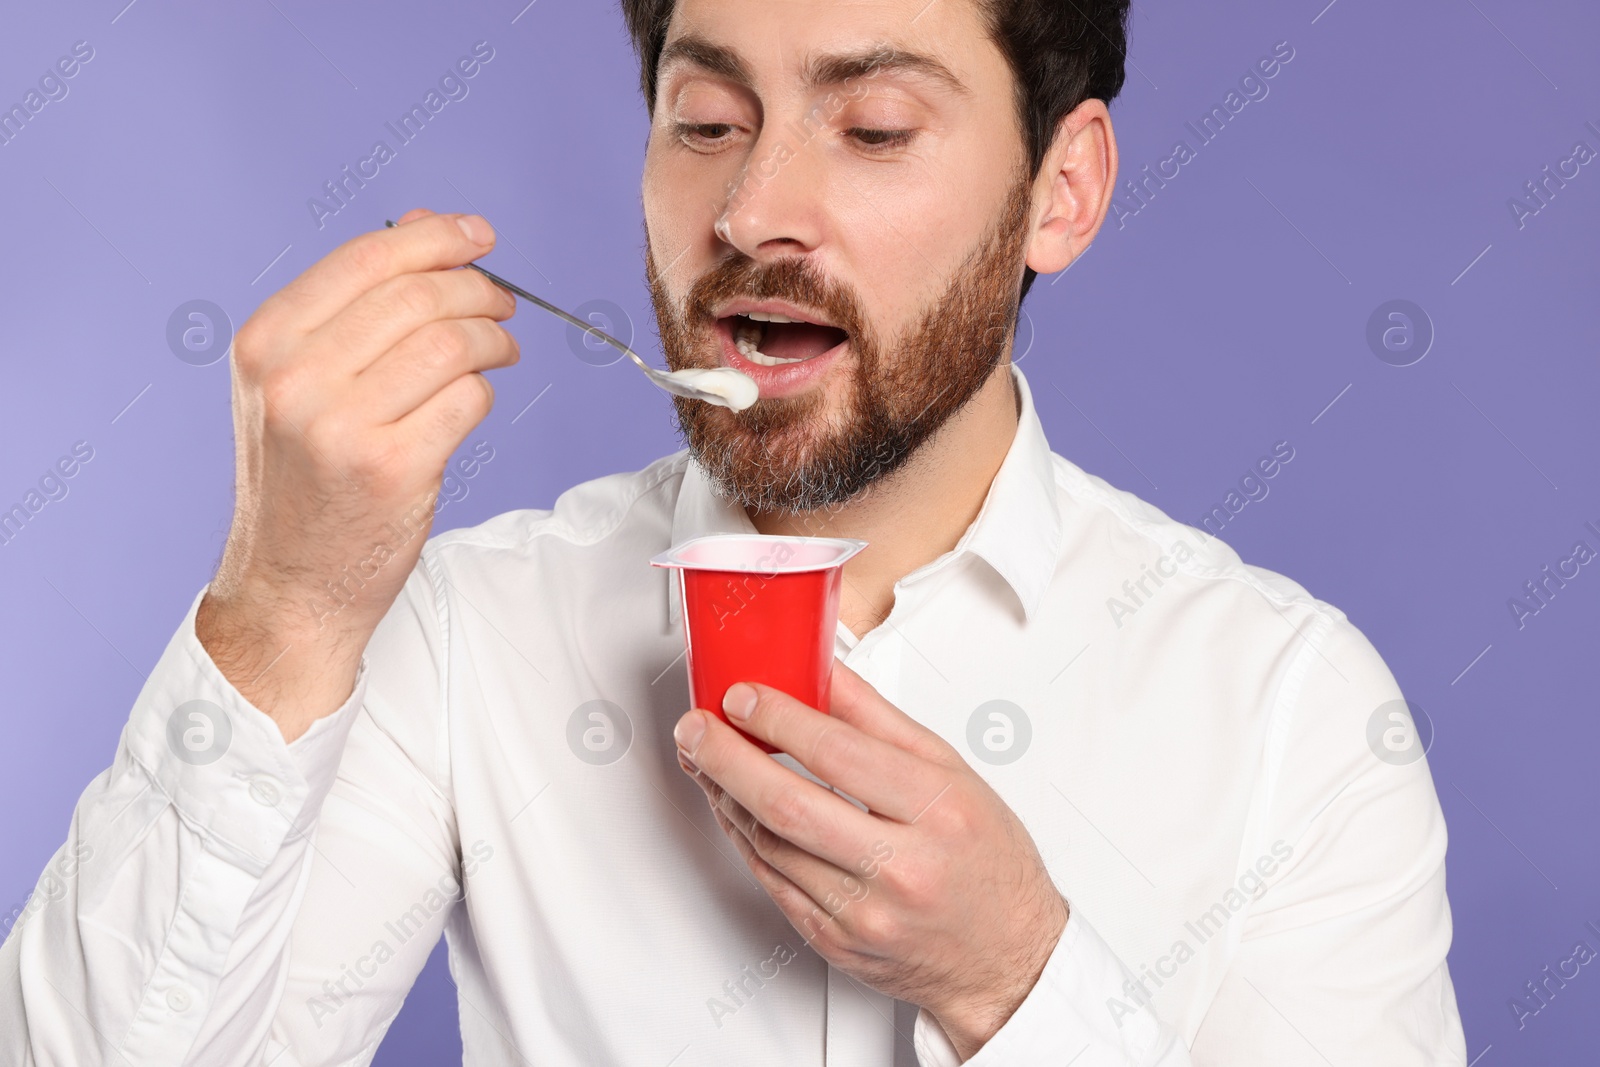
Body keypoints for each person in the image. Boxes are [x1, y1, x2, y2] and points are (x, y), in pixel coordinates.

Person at [1, 0, 1467, 1063]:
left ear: (1059, 190)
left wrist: (1016, 980)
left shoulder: (1291, 710)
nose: (757, 209)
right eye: (705, 123)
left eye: (874, 126)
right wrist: (288, 608)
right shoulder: (470, 635)